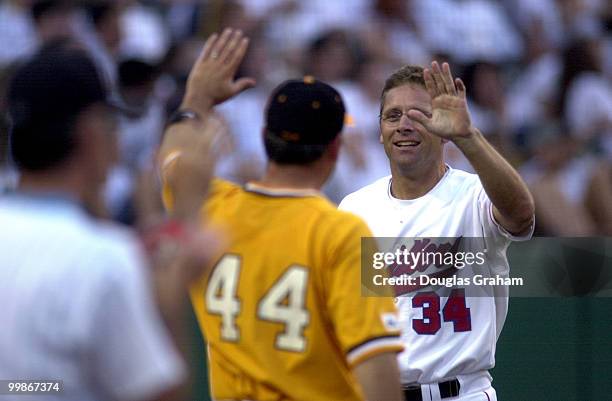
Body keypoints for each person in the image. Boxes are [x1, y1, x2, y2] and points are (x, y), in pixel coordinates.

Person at [159, 28, 404, 401]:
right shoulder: (346, 232)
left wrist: (196, 99)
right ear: (335, 148)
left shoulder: (209, 207)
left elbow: (172, 162)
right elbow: (380, 378)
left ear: (264, 137)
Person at [0, 43, 220, 401]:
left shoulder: (102, 251)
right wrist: (174, 282)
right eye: (110, 121)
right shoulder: (103, 260)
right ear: (89, 131)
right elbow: (162, 394)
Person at [338, 62, 535, 401]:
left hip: (461, 393)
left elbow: (521, 216)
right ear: (380, 129)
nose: (404, 126)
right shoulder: (356, 208)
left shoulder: (473, 195)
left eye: (418, 115)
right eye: (393, 116)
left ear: (443, 128)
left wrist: (468, 137)